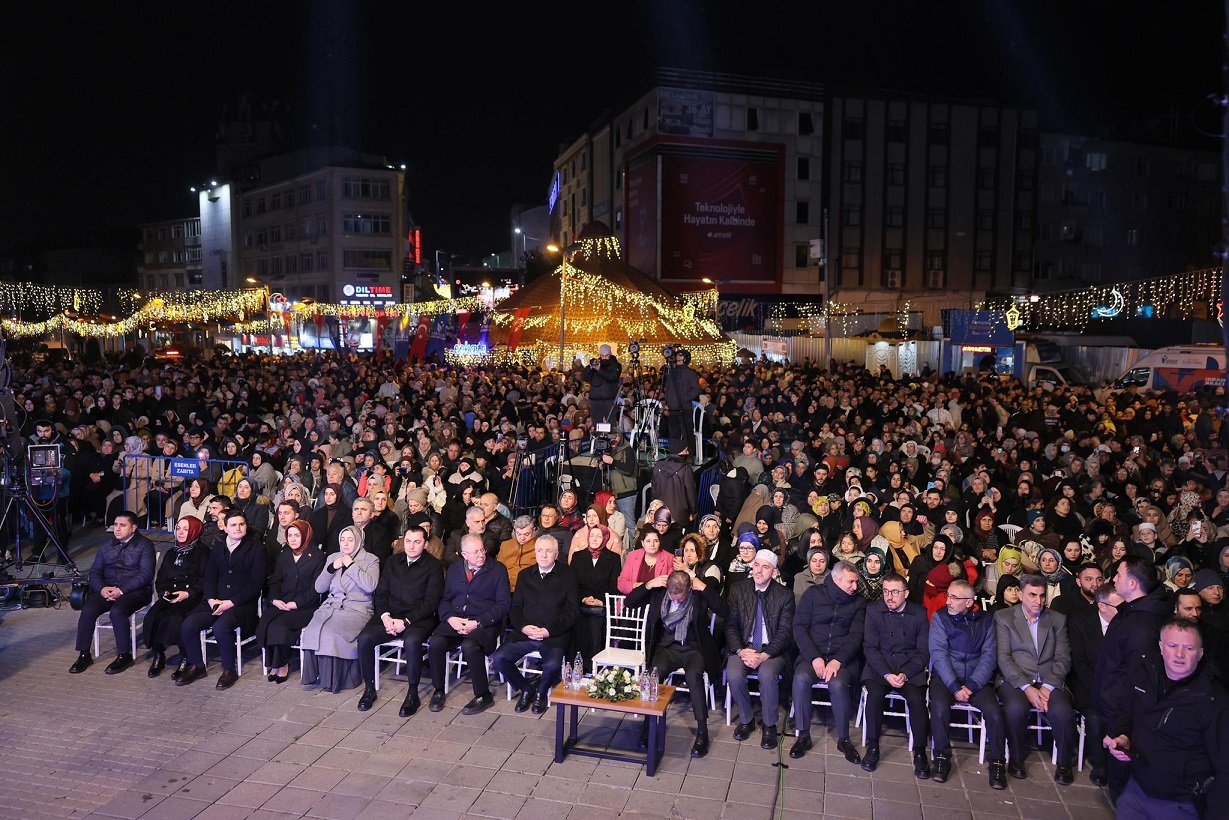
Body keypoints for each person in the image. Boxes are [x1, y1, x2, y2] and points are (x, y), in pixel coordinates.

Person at [1104, 619, 1229, 817]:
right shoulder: (1145, 673)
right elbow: (1125, 712)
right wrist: (1122, 735)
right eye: (1172, 646)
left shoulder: (1213, 699)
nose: (1179, 655)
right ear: (1161, 648)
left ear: (1200, 653)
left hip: (1180, 803)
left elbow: (1225, 767)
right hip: (1136, 791)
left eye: (1188, 648)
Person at [1093, 553, 1172, 799]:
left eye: (1119, 574)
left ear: (1133, 584)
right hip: (1115, 710)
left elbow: (1136, 681)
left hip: (1125, 717)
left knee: (1124, 787)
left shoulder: (1142, 625)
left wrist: (1119, 725)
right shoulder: (1132, 611)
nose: (1114, 578)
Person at [626, 569, 728, 759]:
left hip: (693, 649)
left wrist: (704, 588)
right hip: (667, 648)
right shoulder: (659, 592)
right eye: (673, 598)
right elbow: (629, 602)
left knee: (694, 677)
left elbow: (724, 610)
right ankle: (648, 727)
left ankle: (702, 732)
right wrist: (648, 584)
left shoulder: (698, 594)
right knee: (654, 675)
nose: (677, 601)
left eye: (680, 599)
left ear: (689, 589)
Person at [994, 573, 1077, 784]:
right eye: (1032, 595)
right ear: (1021, 594)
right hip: (1015, 680)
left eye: (1041, 595)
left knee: (1063, 711)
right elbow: (1003, 658)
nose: (1038, 601)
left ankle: (1065, 763)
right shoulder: (1004, 617)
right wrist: (1027, 688)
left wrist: (1048, 687)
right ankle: (1016, 758)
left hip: (1049, 679)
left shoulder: (1057, 619)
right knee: (1015, 709)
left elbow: (1063, 658)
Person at [354, 525, 444, 716]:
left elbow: (431, 602)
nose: (411, 546)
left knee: (412, 642)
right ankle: (369, 689)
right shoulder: (392, 561)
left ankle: (413, 693)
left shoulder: (434, 566)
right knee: (364, 639)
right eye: (408, 541)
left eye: (417, 542)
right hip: (390, 616)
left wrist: (406, 621)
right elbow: (381, 593)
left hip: (418, 618)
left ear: (425, 544)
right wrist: (385, 616)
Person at [928, 578, 1008, 789]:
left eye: (954, 598)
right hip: (947, 678)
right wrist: (954, 686)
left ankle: (998, 761)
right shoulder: (940, 618)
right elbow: (939, 655)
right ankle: (941, 757)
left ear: (969, 601)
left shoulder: (986, 621)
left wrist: (972, 685)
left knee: (993, 711)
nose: (948, 602)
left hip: (976, 679)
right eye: (948, 596)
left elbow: (989, 656)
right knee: (938, 707)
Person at [176, 509, 268, 688]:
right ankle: (197, 665)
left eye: (241, 524)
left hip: (241, 604)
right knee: (188, 624)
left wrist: (230, 603)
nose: (238, 528)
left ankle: (228, 670)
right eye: (233, 525)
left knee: (221, 627)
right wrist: (211, 599)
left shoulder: (256, 549)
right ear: (225, 528)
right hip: (215, 601)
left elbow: (255, 584)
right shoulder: (218, 548)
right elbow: (210, 577)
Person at [490, 534, 579, 714]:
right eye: (539, 551)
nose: (543, 555)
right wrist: (523, 627)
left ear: (556, 554)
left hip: (553, 635)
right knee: (499, 658)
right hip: (526, 633)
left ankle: (541, 693)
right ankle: (526, 688)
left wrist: (548, 631)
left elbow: (572, 612)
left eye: (548, 551)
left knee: (553, 665)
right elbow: (515, 608)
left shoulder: (568, 576)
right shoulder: (525, 576)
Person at [789, 560, 867, 762]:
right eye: (850, 582)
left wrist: (838, 660)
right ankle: (803, 735)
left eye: (856, 582)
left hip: (842, 659)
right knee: (801, 679)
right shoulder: (813, 595)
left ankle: (844, 739)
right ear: (836, 579)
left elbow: (856, 635)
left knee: (838, 683)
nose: (855, 587)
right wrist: (814, 657)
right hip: (812, 654)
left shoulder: (858, 602)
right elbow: (799, 627)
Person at [426, 533, 511, 715]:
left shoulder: (498, 570)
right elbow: (445, 599)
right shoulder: (456, 569)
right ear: (463, 554)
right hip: (457, 619)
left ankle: (483, 694)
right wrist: (450, 618)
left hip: (484, 623)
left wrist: (478, 622)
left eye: (482, 550)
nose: (481, 555)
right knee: (436, 643)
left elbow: (503, 605)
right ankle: (439, 690)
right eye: (475, 552)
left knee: (470, 645)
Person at [860, 573, 931, 777]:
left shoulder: (918, 614)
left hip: (909, 669)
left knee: (917, 701)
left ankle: (920, 752)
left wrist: (905, 674)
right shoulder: (873, 611)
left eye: (894, 592)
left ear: (906, 593)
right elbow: (870, 648)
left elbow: (923, 652)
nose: (889, 596)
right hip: (879, 668)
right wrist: (885, 674)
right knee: (874, 697)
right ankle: (873, 747)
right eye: (885, 591)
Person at [68, 512, 157, 675]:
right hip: (108, 590)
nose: (117, 529)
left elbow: (145, 575)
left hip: (135, 591)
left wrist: (121, 590)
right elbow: (94, 572)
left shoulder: (145, 545)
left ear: (133, 527)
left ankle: (124, 655)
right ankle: (83, 654)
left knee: (117, 611)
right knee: (88, 609)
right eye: (115, 525)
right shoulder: (106, 545)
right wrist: (102, 589)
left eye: (122, 525)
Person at [725, 549, 795, 751]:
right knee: (734, 673)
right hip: (744, 647)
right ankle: (746, 720)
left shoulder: (784, 595)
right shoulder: (739, 589)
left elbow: (784, 633)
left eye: (765, 567)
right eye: (757, 565)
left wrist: (764, 655)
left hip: (772, 650)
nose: (759, 571)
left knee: (766, 673)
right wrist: (740, 650)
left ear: (773, 572)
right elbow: (730, 625)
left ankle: (769, 724)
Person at [299, 524, 381, 692]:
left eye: (350, 540)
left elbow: (370, 586)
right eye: (342, 539)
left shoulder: (371, 560)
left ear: (358, 541)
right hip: (332, 606)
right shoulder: (333, 557)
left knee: (331, 632)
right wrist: (331, 568)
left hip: (356, 609)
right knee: (312, 629)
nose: (345, 544)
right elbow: (319, 588)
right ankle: (315, 675)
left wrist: (351, 565)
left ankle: (335, 680)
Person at [255, 520, 326, 684]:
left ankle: (281, 664)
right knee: (266, 622)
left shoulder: (317, 556)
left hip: (305, 606)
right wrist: (274, 599)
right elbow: (275, 582)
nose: (293, 539)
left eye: (297, 535)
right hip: (282, 602)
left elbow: (316, 589)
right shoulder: (284, 555)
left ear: (306, 536)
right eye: (290, 535)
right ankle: (273, 663)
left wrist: (297, 604)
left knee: (279, 626)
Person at [1067, 582, 1124, 788]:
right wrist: (1101, 690)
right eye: (1120, 606)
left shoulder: (1127, 623)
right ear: (1102, 606)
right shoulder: (1080, 623)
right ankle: (1100, 766)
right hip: (1088, 684)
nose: (1124, 610)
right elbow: (1079, 663)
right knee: (1095, 717)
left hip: (1119, 686)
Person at [142, 516, 209, 678]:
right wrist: (163, 591)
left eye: (186, 529)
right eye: (178, 528)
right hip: (171, 593)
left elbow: (205, 580)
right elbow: (161, 577)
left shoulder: (203, 553)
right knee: (153, 615)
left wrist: (187, 593)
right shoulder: (172, 552)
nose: (180, 532)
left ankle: (185, 657)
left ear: (194, 531)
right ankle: (158, 654)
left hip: (192, 596)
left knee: (176, 617)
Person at [569, 522, 622, 667]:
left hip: (603, 605)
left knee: (596, 624)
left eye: (599, 536)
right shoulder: (578, 556)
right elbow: (572, 584)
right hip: (581, 603)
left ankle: (594, 667)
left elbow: (614, 585)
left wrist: (601, 601)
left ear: (605, 538)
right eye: (592, 535)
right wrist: (584, 598)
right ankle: (578, 666)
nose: (594, 539)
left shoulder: (613, 558)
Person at [663, 348, 700, 458]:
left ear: (685, 358)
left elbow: (696, 389)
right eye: (677, 355)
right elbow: (667, 389)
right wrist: (667, 404)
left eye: (680, 355)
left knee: (687, 432)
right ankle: (675, 454)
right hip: (673, 408)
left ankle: (690, 455)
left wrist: (684, 398)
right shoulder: (671, 372)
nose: (677, 357)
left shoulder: (690, 373)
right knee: (674, 433)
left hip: (684, 408)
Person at [618, 527, 673, 594]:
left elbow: (671, 586)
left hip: (656, 601)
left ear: (659, 542)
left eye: (656, 541)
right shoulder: (632, 556)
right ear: (642, 543)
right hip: (633, 599)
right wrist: (644, 586)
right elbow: (621, 584)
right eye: (648, 541)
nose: (652, 545)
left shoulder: (669, 558)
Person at [583, 343, 622, 427]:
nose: (604, 358)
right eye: (602, 356)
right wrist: (590, 367)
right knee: (597, 425)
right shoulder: (596, 363)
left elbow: (612, 377)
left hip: (609, 401)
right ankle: (597, 438)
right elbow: (585, 377)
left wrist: (599, 369)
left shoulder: (615, 365)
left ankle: (612, 439)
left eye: (606, 355)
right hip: (595, 401)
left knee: (611, 425)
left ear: (610, 354)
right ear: (599, 355)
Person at [497, 515, 538, 592]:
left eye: (526, 534)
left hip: (529, 589)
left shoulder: (540, 546)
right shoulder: (505, 545)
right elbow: (498, 568)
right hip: (506, 588)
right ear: (514, 531)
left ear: (534, 530)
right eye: (518, 534)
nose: (522, 538)